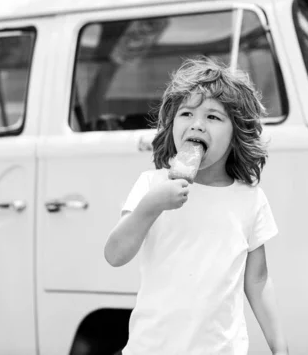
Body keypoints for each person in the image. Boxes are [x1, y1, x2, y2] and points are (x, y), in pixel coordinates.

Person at [104, 57, 288, 355]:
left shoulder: (250, 199)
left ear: (236, 134)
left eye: (213, 117)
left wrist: (280, 347)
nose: (197, 124)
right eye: (186, 113)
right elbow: (114, 254)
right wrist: (151, 206)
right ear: (172, 126)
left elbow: (258, 279)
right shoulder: (151, 185)